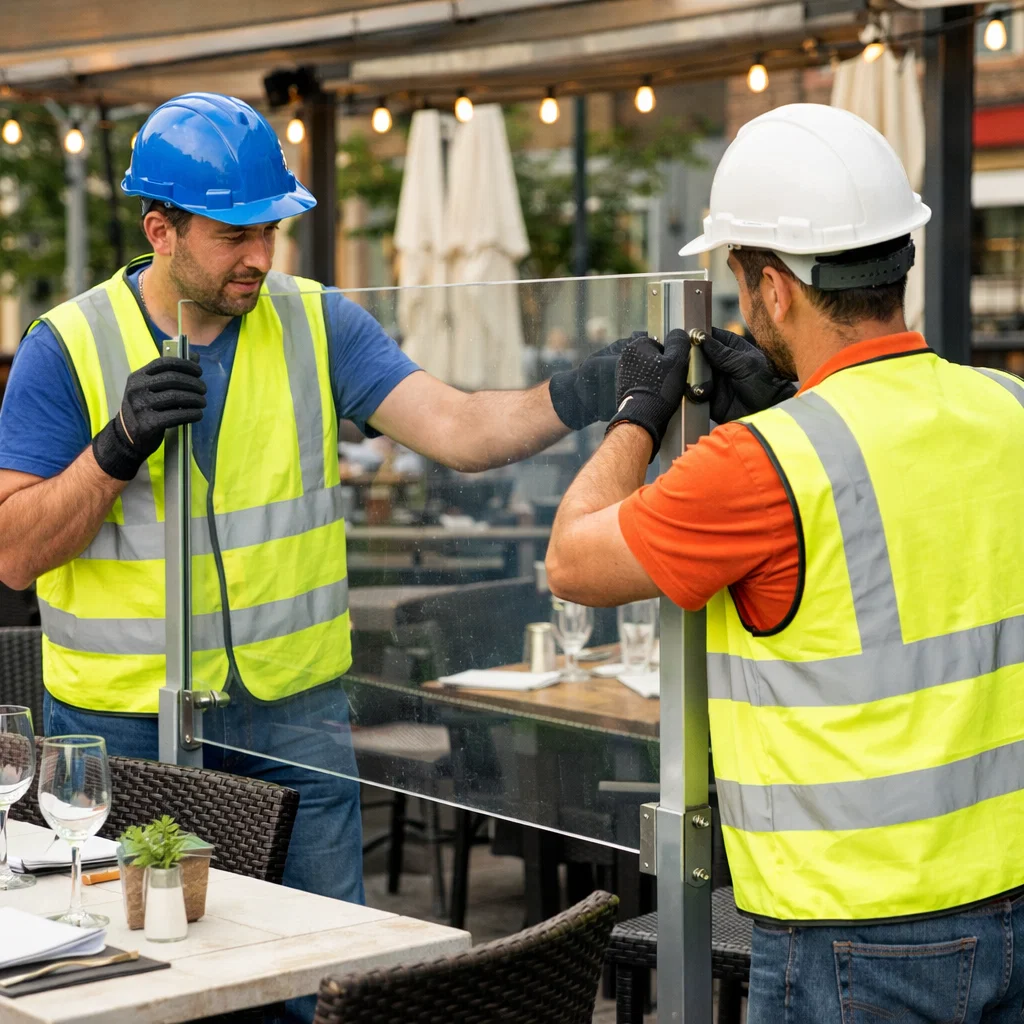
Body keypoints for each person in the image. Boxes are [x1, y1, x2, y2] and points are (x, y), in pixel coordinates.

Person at [0, 94, 625, 926]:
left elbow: (462, 429)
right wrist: (115, 447)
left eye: (271, 231)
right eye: (235, 236)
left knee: (320, 975)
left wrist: (591, 387)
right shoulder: (65, 345)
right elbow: (13, 553)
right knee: (143, 971)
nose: (259, 257)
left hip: (294, 720)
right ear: (161, 230)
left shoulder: (316, 320)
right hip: (125, 731)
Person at [546, 103, 1024, 1023]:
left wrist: (638, 411)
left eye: (735, 277)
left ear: (774, 287)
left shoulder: (761, 464)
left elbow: (571, 559)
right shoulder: (1008, 407)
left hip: (854, 940)